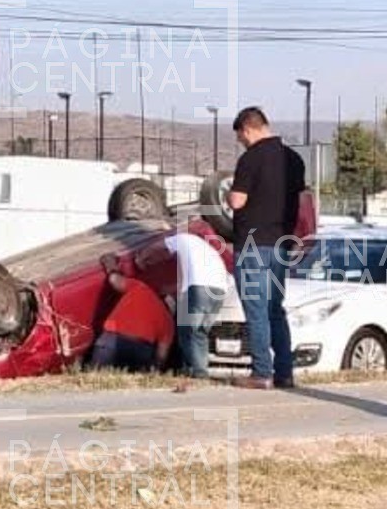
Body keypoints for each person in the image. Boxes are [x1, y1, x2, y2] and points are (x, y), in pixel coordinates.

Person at [227, 107, 305, 390]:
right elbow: (301, 201)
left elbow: (237, 201)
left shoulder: (251, 158)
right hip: (281, 245)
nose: (242, 142)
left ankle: (261, 372)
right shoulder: (294, 159)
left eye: (241, 137)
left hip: (252, 245)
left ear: (247, 129)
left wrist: (227, 195)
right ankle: (285, 372)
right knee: (275, 309)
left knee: (256, 309)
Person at [136, 232, 232, 379]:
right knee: (200, 332)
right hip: (219, 291)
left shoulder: (182, 238)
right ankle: (200, 371)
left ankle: (195, 372)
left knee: (187, 331)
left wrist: (141, 258)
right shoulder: (205, 250)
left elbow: (158, 246)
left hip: (199, 288)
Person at [89, 254, 174, 372]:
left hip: (111, 341)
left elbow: (114, 281)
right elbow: (161, 357)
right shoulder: (169, 322)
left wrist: (111, 266)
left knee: (96, 378)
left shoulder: (142, 288)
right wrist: (153, 373)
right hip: (140, 350)